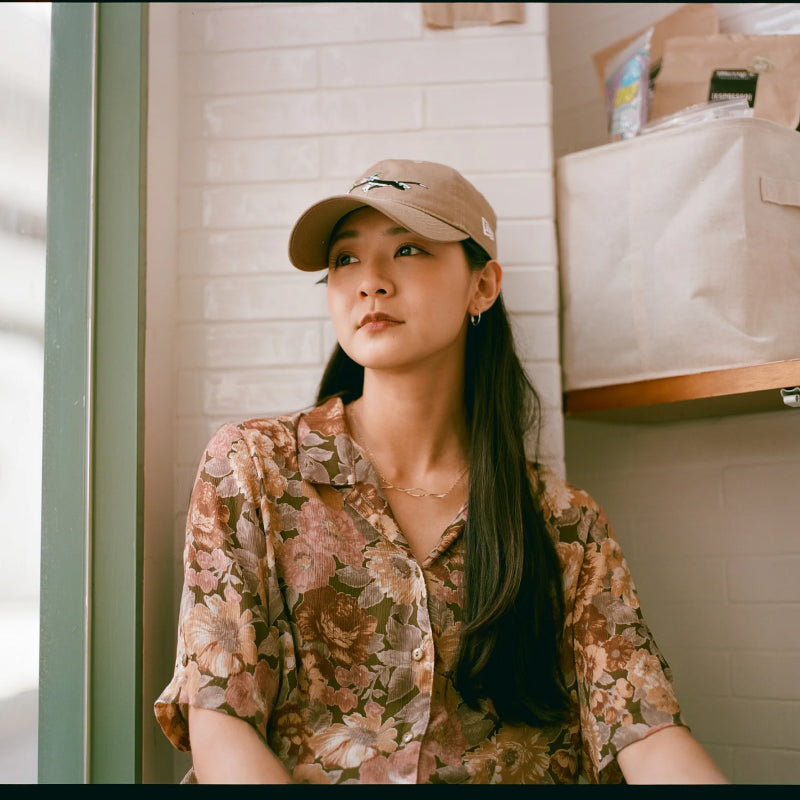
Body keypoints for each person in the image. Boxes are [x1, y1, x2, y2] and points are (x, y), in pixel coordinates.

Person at [154, 159, 728, 785]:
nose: (370, 281)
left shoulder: (563, 522)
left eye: (407, 250)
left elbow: (645, 729)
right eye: (345, 259)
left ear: (482, 287)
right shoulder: (254, 467)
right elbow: (219, 720)